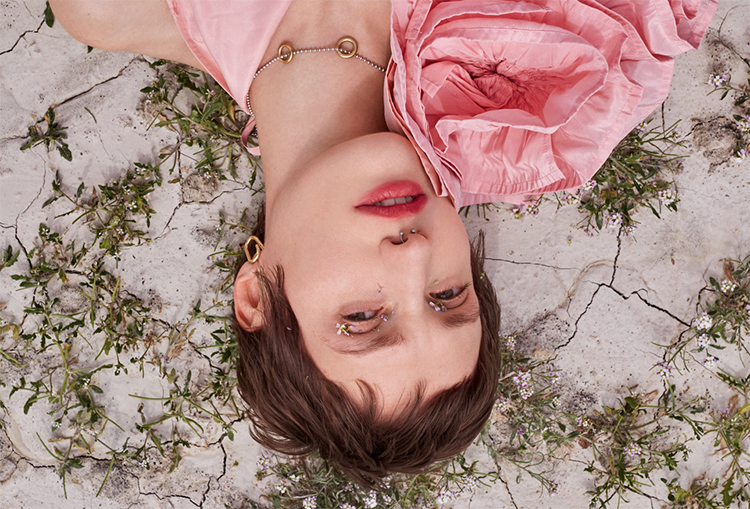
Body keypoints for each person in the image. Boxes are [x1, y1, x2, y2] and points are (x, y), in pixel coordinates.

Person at [49, 0, 716, 486]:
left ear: (255, 296)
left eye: (364, 318)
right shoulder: (548, 85)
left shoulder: (111, 10)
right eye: (447, 296)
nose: (414, 255)